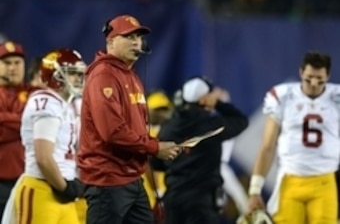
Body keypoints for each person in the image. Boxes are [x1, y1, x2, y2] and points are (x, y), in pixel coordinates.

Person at [77, 14, 181, 224]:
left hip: (131, 178)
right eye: (129, 37)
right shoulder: (103, 76)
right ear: (111, 41)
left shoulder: (130, 75)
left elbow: (136, 126)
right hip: (107, 180)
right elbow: (112, 132)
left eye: (139, 37)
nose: (137, 42)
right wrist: (154, 147)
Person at [247, 52, 339, 224]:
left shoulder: (336, 98)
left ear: (328, 76)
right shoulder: (283, 96)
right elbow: (267, 145)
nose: (313, 84)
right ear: (301, 73)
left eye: (320, 80)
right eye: (309, 78)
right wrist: (254, 190)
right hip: (290, 181)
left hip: (324, 182)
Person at [1, 48, 86, 224]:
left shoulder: (66, 105)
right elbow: (44, 158)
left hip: (64, 190)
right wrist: (65, 187)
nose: (79, 79)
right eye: (73, 74)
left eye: (79, 74)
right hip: (42, 188)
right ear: (55, 76)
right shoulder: (46, 102)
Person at [151, 77, 249, 224]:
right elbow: (241, 120)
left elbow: (156, 163)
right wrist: (218, 104)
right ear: (205, 99)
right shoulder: (213, 125)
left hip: (174, 203)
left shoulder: (168, 128)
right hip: (202, 205)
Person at [0, 41, 39, 220]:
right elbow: (28, 126)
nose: (12, 68)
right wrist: (22, 121)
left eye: (17, 63)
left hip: (27, 180)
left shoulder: (35, 94)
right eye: (7, 63)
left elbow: (37, 128)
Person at [143, 90, 173, 208]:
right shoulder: (140, 134)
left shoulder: (170, 132)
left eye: (164, 110)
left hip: (167, 191)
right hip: (147, 193)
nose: (162, 114)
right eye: (157, 110)